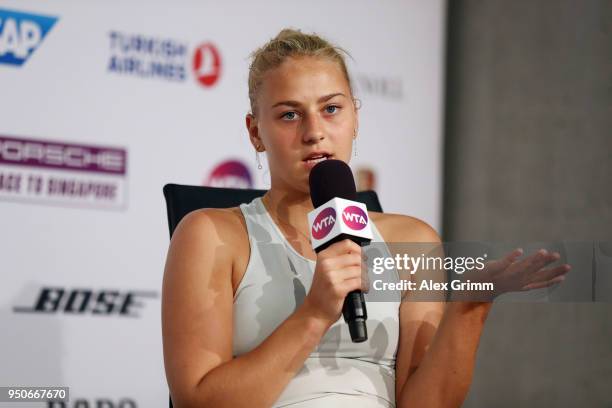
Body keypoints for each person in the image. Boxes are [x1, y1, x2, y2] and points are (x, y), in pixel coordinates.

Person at [161, 29, 570, 408]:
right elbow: (197, 400)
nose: (314, 132)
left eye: (332, 109)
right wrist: (316, 312)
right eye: (289, 114)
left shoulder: (413, 238)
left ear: (355, 118)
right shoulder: (211, 234)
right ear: (255, 132)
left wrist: (470, 307)